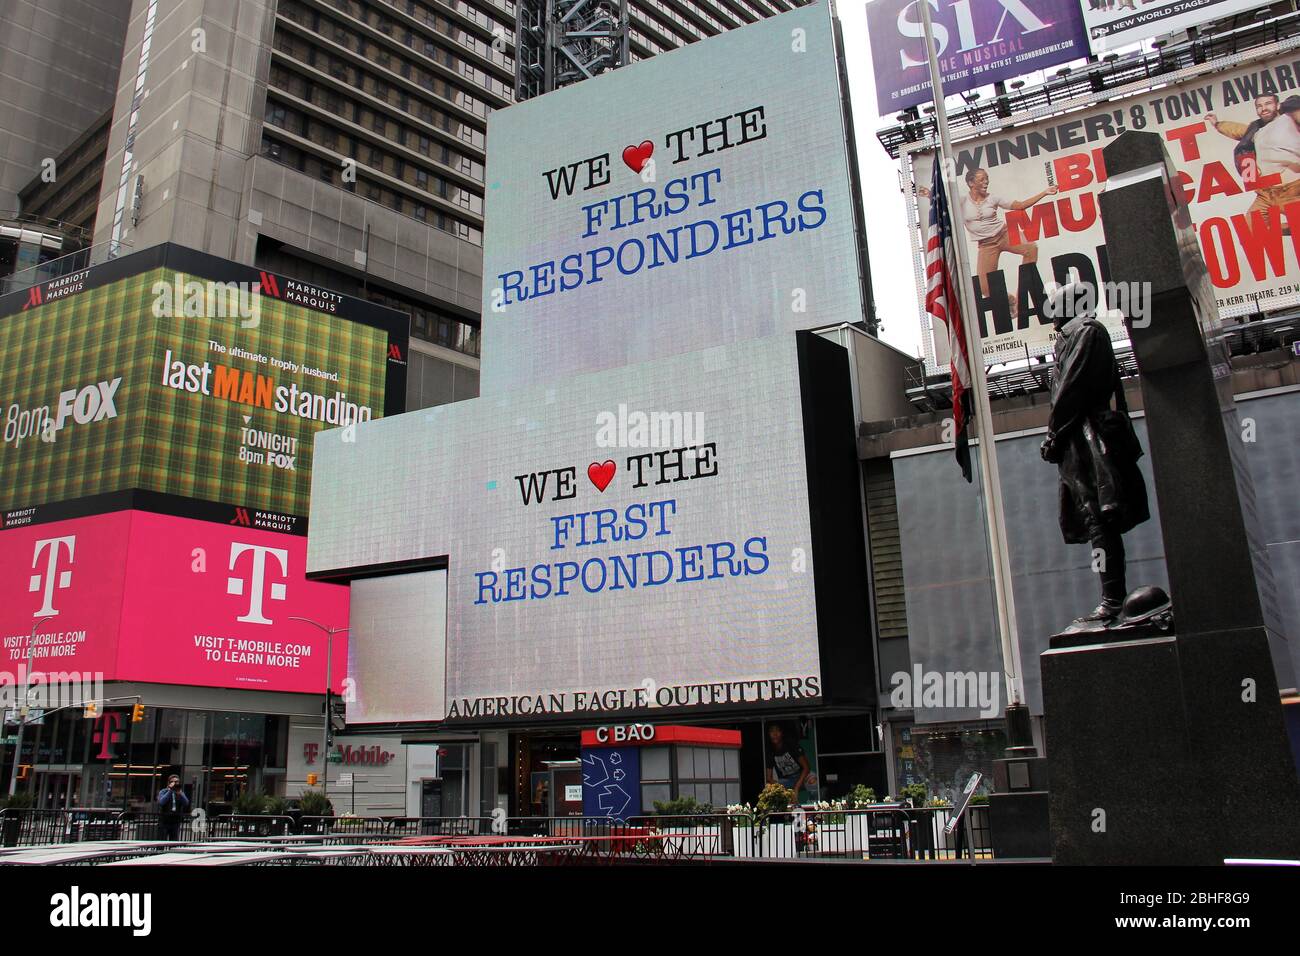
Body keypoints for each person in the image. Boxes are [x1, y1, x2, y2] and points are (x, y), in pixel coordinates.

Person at [1040, 283, 1150, 625]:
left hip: (1089, 438)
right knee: (1093, 519)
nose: (1051, 311)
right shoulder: (1068, 338)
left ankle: (1112, 600)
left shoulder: (1088, 332)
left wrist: (1054, 432)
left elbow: (1073, 387)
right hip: (1075, 441)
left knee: (1101, 519)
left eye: (1055, 304)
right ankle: (1110, 598)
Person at [921, 169, 1057, 319]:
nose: (986, 182)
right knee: (985, 289)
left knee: (1031, 248)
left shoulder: (994, 198)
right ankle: (1010, 300)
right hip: (986, 245)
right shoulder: (962, 201)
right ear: (971, 183)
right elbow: (942, 202)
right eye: (981, 179)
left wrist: (1045, 192)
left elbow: (1020, 205)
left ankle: (1020, 300)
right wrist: (929, 194)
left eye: (987, 179)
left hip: (1004, 234)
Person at [1206, 94, 1300, 233]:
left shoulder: (1289, 119)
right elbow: (1238, 130)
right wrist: (1217, 124)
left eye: (1268, 104)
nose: (1264, 109)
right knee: (1251, 227)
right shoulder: (1256, 130)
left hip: (1290, 190)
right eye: (1259, 106)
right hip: (1266, 193)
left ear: (1278, 105)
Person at [765, 723, 814, 803]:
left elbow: (806, 768)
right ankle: (784, 809)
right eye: (772, 732)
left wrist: (796, 787)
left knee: (813, 781)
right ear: (769, 735)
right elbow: (769, 778)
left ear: (782, 733)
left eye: (777, 731)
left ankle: (813, 804)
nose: (775, 734)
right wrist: (785, 792)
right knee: (770, 789)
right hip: (786, 780)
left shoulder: (791, 744)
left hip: (801, 776)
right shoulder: (770, 751)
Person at [157, 775, 190, 841]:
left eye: (177, 782)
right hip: (164, 821)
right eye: (173, 782)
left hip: (175, 821)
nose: (175, 783)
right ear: (169, 783)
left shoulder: (180, 792)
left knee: (174, 841)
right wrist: (170, 791)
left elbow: (186, 803)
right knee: (161, 842)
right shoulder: (163, 791)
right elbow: (161, 802)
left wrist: (180, 793)